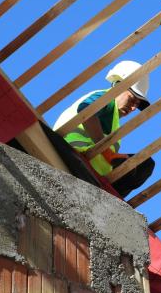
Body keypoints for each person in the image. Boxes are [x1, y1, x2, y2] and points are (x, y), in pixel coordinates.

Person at [54, 60, 155, 197]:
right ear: (117, 87)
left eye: (136, 105)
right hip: (72, 154)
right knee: (145, 163)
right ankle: (110, 197)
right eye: (131, 100)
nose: (132, 108)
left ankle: (111, 198)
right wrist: (107, 152)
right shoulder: (105, 99)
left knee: (143, 164)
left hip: (91, 171)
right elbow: (86, 112)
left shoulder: (114, 123)